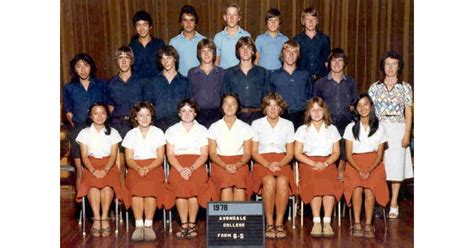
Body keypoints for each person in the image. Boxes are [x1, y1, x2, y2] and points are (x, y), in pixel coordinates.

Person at [368, 50, 413, 219]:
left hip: (398, 129)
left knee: (396, 167)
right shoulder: (375, 87)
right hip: (379, 129)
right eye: (388, 64)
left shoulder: (405, 87)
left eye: (394, 64)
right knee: (380, 167)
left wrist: (407, 133)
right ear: (383, 66)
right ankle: (381, 202)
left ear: (399, 66)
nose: (391, 68)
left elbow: (408, 112)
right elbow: (369, 111)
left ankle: (394, 202)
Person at [164, 99, 215, 239]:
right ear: (179, 113)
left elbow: (204, 154)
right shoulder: (171, 130)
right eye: (184, 111)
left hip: (197, 164)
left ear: (195, 113)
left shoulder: (203, 130)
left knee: (194, 183)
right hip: (177, 164)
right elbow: (170, 154)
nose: (187, 114)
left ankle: (192, 223)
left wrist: (191, 169)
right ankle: (184, 223)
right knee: (179, 182)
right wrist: (181, 169)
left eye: (190, 111)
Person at [294, 97, 343, 238]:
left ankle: (326, 222)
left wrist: (326, 163)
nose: (316, 113)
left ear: (324, 111)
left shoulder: (332, 129)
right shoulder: (302, 129)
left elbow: (336, 152)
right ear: (308, 112)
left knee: (329, 182)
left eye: (319, 109)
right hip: (308, 163)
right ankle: (316, 222)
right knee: (314, 182)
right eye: (313, 110)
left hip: (327, 162)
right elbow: (297, 153)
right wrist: (313, 163)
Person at [250, 92, 296, 239]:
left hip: (283, 161)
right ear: (264, 108)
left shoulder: (288, 124)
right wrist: (268, 164)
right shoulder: (256, 124)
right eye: (269, 106)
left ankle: (279, 223)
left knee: (282, 181)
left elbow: (290, 153)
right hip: (262, 162)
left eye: (276, 106)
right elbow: (254, 152)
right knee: (269, 181)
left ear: (280, 108)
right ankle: (269, 223)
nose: (273, 109)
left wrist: (280, 164)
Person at [343, 94, 389, 239]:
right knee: (356, 187)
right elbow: (349, 155)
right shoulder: (350, 127)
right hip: (354, 163)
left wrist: (369, 169)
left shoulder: (380, 127)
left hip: (374, 163)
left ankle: (368, 224)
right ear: (355, 109)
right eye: (359, 105)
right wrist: (359, 169)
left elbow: (380, 154)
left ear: (371, 106)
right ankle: (356, 223)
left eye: (366, 104)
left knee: (370, 188)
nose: (363, 108)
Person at [75, 103, 123, 238]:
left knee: (107, 185)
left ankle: (105, 217)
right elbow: (84, 156)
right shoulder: (84, 133)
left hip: (109, 164)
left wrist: (106, 170)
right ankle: (97, 219)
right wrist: (93, 170)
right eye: (95, 113)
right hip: (91, 164)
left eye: (103, 113)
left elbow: (114, 155)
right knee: (93, 186)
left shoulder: (113, 132)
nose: (99, 116)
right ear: (90, 116)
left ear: (107, 116)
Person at [121, 102, 167, 241]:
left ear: (151, 116)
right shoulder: (130, 134)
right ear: (135, 117)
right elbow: (128, 158)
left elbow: (160, 157)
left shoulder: (158, 132)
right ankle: (138, 225)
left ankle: (148, 225)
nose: (144, 118)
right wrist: (138, 168)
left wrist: (148, 168)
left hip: (154, 166)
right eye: (141, 115)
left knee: (151, 188)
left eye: (147, 115)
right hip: (135, 166)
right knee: (136, 188)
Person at [63, 53, 106, 191]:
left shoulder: (100, 85)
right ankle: (83, 207)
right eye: (79, 66)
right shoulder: (69, 87)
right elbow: (68, 111)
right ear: (74, 69)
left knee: (99, 168)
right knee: (80, 170)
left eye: (86, 66)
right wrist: (77, 127)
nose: (83, 70)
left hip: (98, 129)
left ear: (91, 67)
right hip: (79, 129)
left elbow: (106, 107)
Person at [314, 48, 358, 181]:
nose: (337, 63)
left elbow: (355, 103)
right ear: (328, 63)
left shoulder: (351, 82)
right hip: (328, 123)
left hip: (346, 122)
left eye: (340, 60)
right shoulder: (320, 83)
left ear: (344, 63)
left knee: (347, 144)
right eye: (334, 60)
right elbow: (315, 105)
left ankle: (342, 169)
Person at [107, 46, 146, 185]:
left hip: (137, 126)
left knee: (137, 165)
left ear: (132, 61)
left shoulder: (141, 81)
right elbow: (110, 108)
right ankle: (123, 201)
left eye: (127, 58)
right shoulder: (111, 83)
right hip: (119, 126)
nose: (123, 62)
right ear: (116, 61)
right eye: (120, 58)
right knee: (121, 166)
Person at [208, 93, 254, 201]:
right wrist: (225, 166)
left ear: (238, 107)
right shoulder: (214, 127)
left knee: (240, 184)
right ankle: (226, 217)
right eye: (226, 103)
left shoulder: (245, 127)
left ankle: (239, 217)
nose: (229, 107)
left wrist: (237, 165)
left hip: (240, 162)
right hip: (220, 163)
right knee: (226, 184)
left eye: (233, 104)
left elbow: (247, 153)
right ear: (222, 107)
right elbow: (212, 154)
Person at [223, 36, 270, 124]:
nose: (245, 50)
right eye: (242, 48)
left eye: (248, 47)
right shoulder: (229, 73)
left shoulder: (262, 72)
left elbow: (267, 97)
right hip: (237, 117)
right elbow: (225, 96)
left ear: (253, 51)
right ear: (238, 51)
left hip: (258, 117)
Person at [144, 45, 190, 131]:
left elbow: (188, 106)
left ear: (175, 59)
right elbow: (149, 105)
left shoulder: (185, 81)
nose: (166, 61)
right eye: (163, 58)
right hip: (158, 125)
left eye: (168, 58)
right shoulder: (153, 81)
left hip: (179, 125)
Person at [269, 40, 312, 128]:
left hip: (302, 118)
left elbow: (309, 98)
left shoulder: (305, 75)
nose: (291, 55)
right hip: (281, 118)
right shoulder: (273, 76)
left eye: (294, 52)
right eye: (288, 51)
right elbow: (270, 100)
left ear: (298, 55)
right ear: (282, 54)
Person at [188, 38, 225, 128]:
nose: (206, 54)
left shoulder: (222, 72)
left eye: (209, 51)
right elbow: (189, 94)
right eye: (203, 51)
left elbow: (224, 94)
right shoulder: (192, 73)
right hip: (198, 115)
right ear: (199, 54)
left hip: (217, 114)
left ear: (214, 54)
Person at [293, 7, 330, 82]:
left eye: (313, 18)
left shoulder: (324, 39)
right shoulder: (297, 40)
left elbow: (327, 62)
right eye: (307, 19)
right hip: (302, 80)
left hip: (321, 80)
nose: (310, 22)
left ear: (317, 21)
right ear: (303, 21)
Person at [169, 5, 206, 76]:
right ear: (181, 22)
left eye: (191, 20)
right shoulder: (173, 42)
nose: (188, 24)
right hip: (180, 83)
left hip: (200, 82)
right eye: (185, 20)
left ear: (195, 22)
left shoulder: (203, 40)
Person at [213, 2, 251, 69]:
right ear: (225, 17)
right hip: (224, 74)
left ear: (239, 18)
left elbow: (250, 59)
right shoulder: (218, 37)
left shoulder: (246, 35)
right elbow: (216, 61)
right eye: (229, 15)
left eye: (234, 15)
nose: (232, 18)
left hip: (240, 74)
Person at [129, 10, 165, 79]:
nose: (141, 28)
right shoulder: (131, 47)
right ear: (135, 27)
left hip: (156, 85)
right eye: (138, 25)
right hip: (138, 86)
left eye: (145, 25)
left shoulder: (159, 44)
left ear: (150, 26)